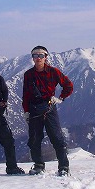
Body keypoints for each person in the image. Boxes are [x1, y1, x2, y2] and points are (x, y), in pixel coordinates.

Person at [22, 46, 73, 176]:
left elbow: (68, 85)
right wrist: (26, 111)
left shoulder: (53, 72)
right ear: (32, 58)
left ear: (46, 57)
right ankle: (39, 165)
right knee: (34, 139)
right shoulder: (28, 75)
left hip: (49, 107)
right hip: (34, 109)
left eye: (41, 55)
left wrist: (60, 98)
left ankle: (63, 167)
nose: (38, 58)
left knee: (56, 137)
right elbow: (26, 95)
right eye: (35, 55)